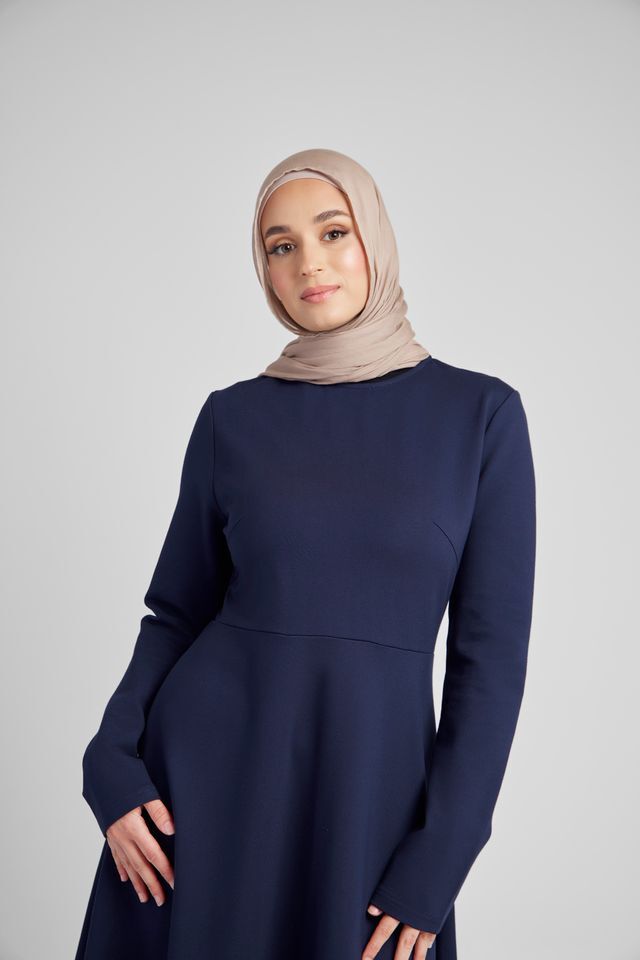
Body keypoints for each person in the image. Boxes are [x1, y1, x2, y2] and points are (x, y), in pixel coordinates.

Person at [74, 147, 536, 960]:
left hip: (368, 804)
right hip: (202, 799)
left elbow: (488, 666)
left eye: (333, 232)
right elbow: (176, 613)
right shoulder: (232, 419)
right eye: (281, 246)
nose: (309, 263)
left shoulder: (481, 416)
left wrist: (443, 855)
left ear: (375, 239)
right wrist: (109, 758)